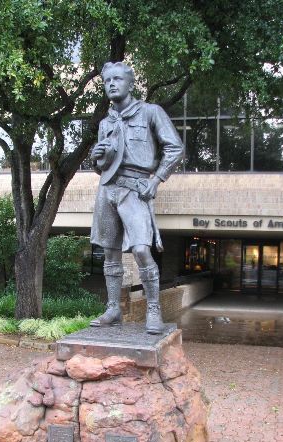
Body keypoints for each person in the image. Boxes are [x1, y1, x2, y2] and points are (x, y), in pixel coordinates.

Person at [90, 62, 183, 334]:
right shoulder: (105, 122)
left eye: (117, 79)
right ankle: (113, 308)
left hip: (136, 188)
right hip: (108, 189)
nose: (112, 84)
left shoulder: (151, 112)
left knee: (141, 249)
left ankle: (153, 310)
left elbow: (175, 148)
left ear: (131, 84)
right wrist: (97, 158)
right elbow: (102, 165)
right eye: (107, 80)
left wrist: (156, 180)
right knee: (109, 252)